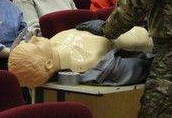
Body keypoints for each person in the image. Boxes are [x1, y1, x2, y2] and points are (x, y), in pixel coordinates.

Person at [8, 26, 153, 87]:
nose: (33, 39)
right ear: (48, 64)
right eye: (34, 45)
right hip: (151, 41)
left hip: (139, 29)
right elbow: (141, 67)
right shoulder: (89, 62)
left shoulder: (53, 42)